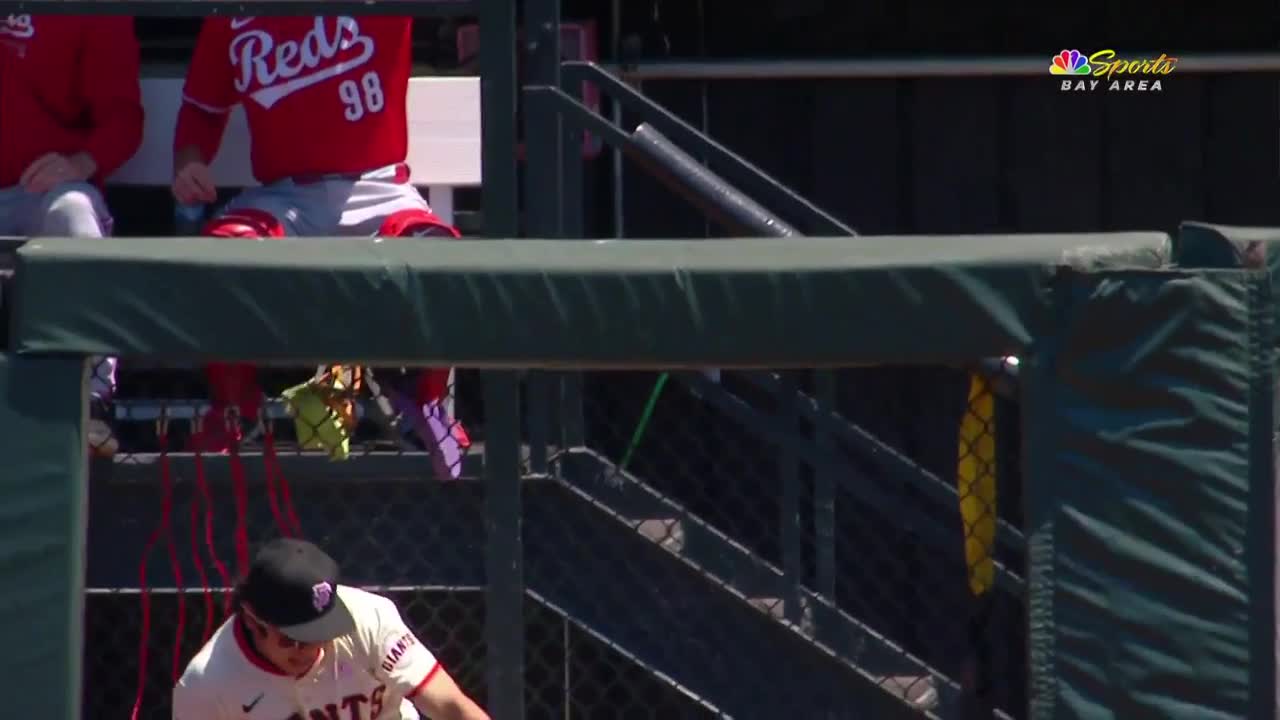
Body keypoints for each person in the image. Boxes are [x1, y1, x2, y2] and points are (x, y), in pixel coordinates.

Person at [170, 15, 468, 476]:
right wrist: (189, 162)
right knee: (221, 254)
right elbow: (202, 110)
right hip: (287, 196)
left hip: (379, 187)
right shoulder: (233, 14)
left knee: (440, 254)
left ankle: (426, 402)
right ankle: (235, 405)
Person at [0, 13, 144, 457]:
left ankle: (94, 400)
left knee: (74, 211)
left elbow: (124, 117)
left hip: (40, 189)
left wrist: (82, 162)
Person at [173, 538, 490, 720]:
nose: (309, 650)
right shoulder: (207, 683)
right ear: (253, 620)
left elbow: (450, 705)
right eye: (292, 640)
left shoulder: (370, 618)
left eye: (320, 633)